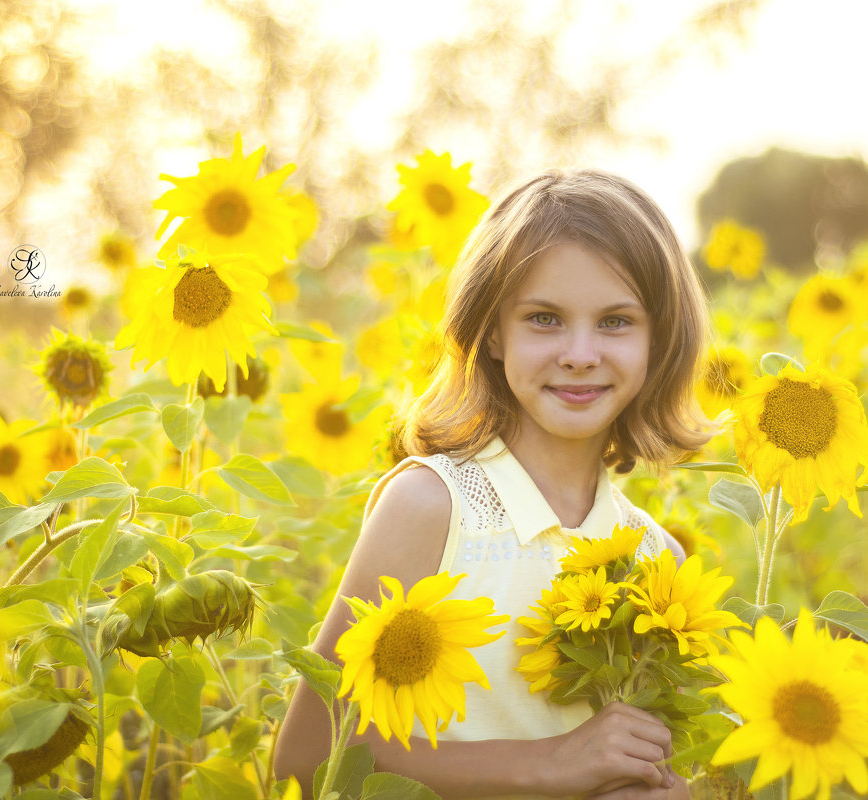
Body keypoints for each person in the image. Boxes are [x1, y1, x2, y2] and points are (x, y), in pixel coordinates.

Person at [273, 168, 713, 799]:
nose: (581, 352)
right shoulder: (431, 508)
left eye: (616, 321)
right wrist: (550, 764)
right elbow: (308, 755)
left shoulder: (656, 558)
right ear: (493, 334)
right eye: (544, 318)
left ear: (659, 340)